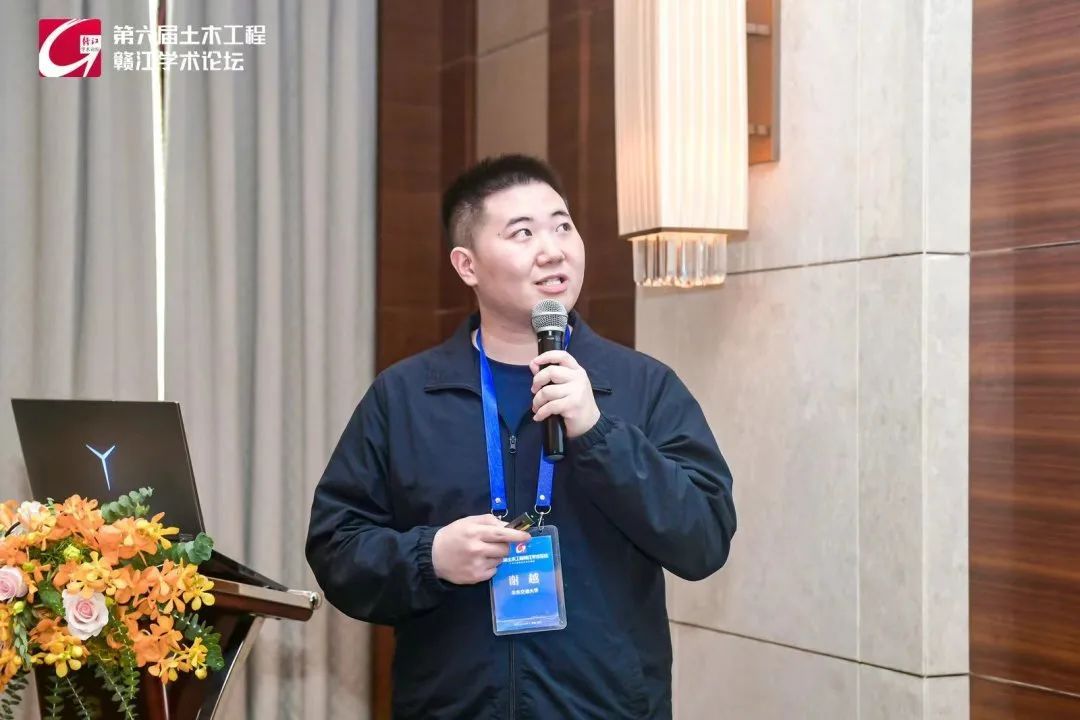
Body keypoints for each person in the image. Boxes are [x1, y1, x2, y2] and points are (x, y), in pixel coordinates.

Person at [306, 154, 736, 719]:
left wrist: (599, 433)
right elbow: (336, 546)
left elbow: (704, 538)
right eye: (523, 233)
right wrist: (429, 556)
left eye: (563, 226)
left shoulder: (642, 387)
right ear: (467, 265)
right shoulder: (406, 397)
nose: (553, 250)